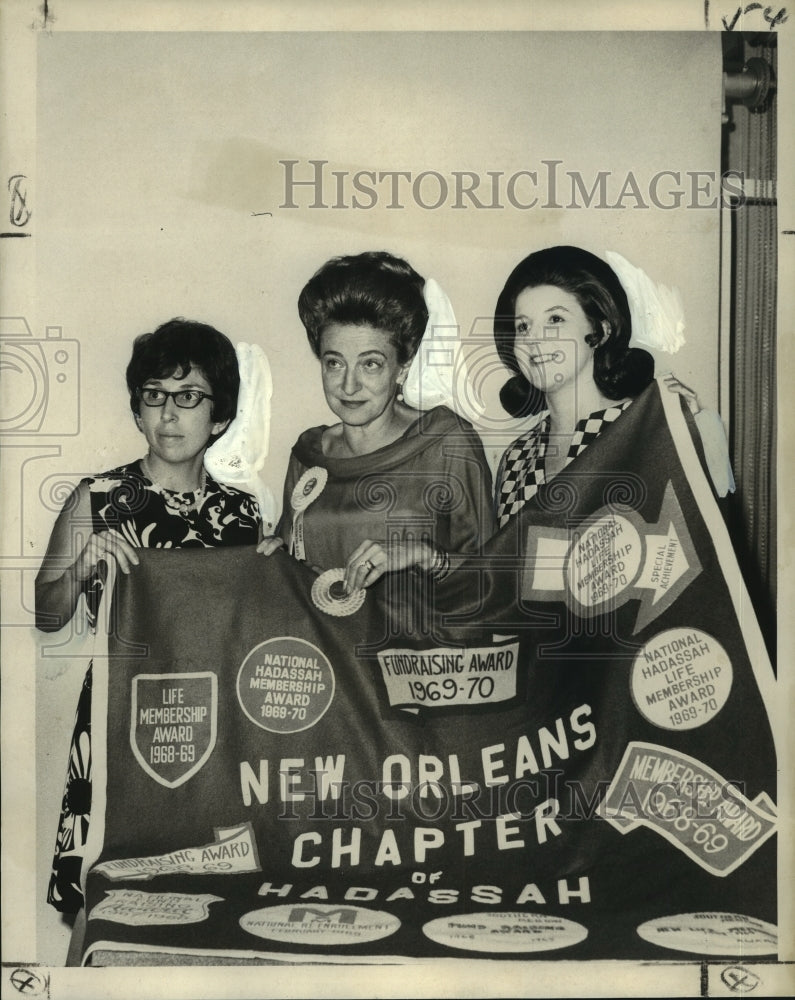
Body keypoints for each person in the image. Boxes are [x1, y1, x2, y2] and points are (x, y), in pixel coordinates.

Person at [35, 318, 263, 924]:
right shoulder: (97, 496)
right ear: (137, 409)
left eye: (189, 397)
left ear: (219, 416)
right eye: (154, 395)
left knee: (209, 906)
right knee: (107, 899)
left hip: (215, 728)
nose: (169, 413)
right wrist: (83, 565)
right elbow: (46, 610)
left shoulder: (243, 514)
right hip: (120, 722)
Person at [259, 251, 494, 594]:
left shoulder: (445, 440)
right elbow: (296, 571)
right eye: (335, 363)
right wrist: (277, 558)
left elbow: (493, 578)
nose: (349, 386)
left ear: (403, 366)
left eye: (370, 364)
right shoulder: (308, 452)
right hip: (326, 644)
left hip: (421, 645)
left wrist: (425, 556)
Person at [492, 245, 731, 526]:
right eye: (523, 327)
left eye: (555, 319)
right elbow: (503, 566)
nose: (534, 340)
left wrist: (689, 441)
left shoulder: (649, 431)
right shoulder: (515, 458)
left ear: (600, 331)